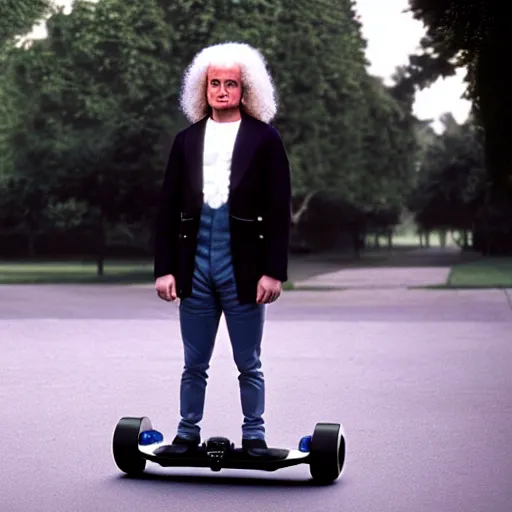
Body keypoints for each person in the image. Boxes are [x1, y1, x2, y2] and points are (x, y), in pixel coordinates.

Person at [153, 42, 291, 453]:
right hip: (194, 269)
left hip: (245, 272)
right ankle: (186, 433)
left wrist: (274, 270)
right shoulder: (186, 140)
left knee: (248, 362)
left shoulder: (265, 139)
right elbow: (167, 208)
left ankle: (255, 436)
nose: (222, 91)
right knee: (194, 363)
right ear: (203, 87)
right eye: (215, 83)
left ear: (245, 90)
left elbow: (280, 208)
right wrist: (165, 269)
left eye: (231, 84)